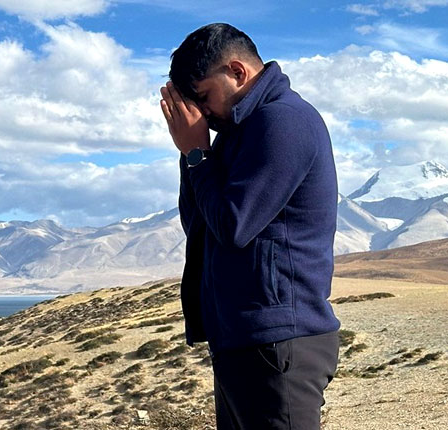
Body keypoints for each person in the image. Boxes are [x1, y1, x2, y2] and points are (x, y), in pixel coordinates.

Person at [159, 23, 341, 429]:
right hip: (244, 339)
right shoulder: (239, 132)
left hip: (278, 342)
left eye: (203, 97)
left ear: (237, 72)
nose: (202, 112)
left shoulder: (282, 121)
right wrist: (192, 155)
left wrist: (195, 152)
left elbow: (233, 225)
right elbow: (201, 228)